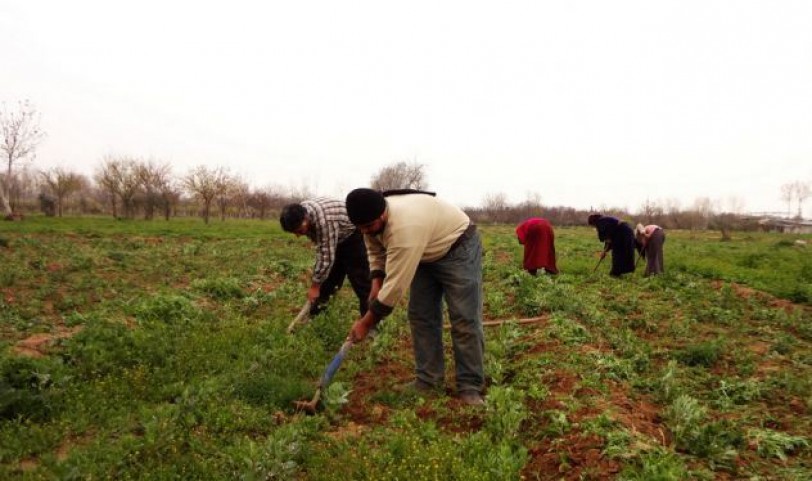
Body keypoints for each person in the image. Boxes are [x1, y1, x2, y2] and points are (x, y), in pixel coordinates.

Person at [344, 188, 485, 406]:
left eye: (369, 226)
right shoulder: (370, 222)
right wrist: (376, 281)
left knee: (464, 318)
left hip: (458, 247)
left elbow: (395, 289)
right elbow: (375, 251)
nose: (365, 232)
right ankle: (429, 381)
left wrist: (367, 322)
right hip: (425, 252)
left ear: (383, 215)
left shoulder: (404, 229)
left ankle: (470, 386)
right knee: (421, 315)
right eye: (360, 228)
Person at [279, 198, 371, 319]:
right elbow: (323, 252)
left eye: (299, 231)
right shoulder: (299, 213)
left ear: (306, 218)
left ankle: (371, 321)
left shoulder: (324, 221)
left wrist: (314, 286)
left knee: (361, 280)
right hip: (336, 238)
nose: (298, 235)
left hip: (352, 236)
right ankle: (317, 316)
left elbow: (326, 257)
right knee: (328, 282)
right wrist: (318, 282)